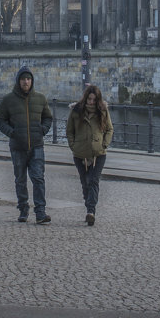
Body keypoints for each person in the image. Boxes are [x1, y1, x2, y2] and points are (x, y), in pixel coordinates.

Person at [0, 66, 53, 224]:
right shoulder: (8, 100)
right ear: (18, 81)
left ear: (32, 81)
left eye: (28, 79)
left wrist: (43, 130)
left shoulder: (40, 98)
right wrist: (11, 132)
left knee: (38, 178)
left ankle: (40, 212)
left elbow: (48, 117)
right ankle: (23, 208)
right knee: (20, 179)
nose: (26, 82)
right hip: (17, 146)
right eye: (23, 79)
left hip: (36, 145)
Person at [65, 84, 113, 226]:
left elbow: (110, 129)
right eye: (89, 99)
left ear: (97, 100)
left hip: (99, 153)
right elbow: (69, 131)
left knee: (93, 180)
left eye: (94, 99)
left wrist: (104, 144)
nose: (91, 102)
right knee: (85, 182)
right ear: (85, 99)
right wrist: (73, 146)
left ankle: (91, 211)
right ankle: (89, 206)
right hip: (80, 154)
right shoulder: (76, 111)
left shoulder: (102, 111)